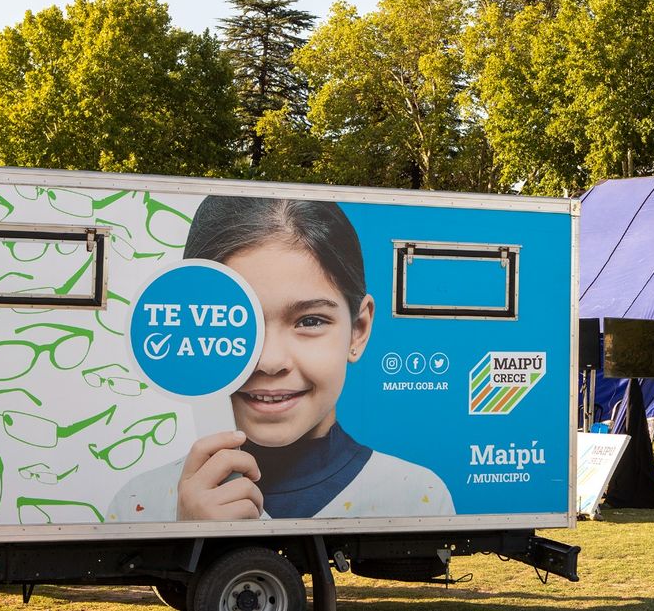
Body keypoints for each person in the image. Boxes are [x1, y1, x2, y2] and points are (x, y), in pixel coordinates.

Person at [108, 195, 454, 521]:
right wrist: (185, 543)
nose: (270, 362)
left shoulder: (416, 495)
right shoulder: (141, 502)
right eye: (239, 322)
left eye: (310, 321)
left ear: (358, 330)